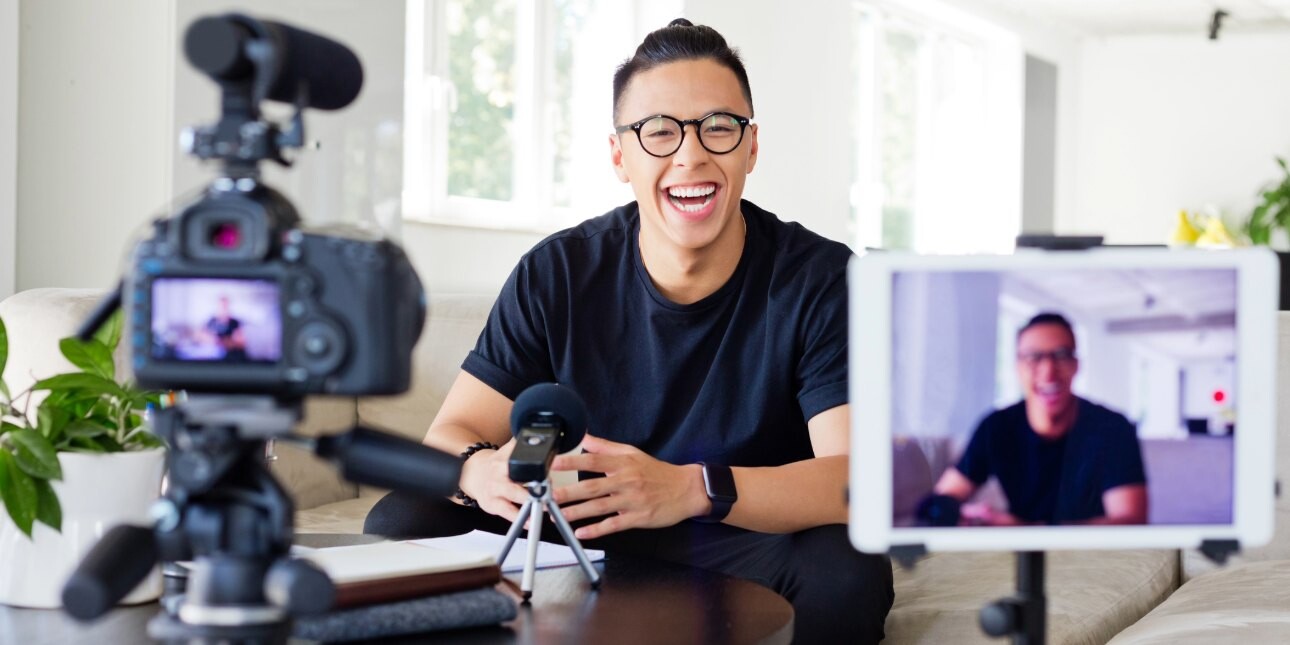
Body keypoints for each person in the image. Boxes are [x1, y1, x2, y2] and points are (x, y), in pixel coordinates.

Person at [364, 18, 894, 642]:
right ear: (620, 156)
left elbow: (857, 479)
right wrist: (482, 473)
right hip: (577, 529)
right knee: (403, 521)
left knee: (848, 571)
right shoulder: (558, 271)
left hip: (733, 537)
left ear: (752, 148)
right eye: (659, 132)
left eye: (719, 128)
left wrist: (689, 488)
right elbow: (450, 435)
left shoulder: (823, 277)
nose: (691, 155)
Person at [931, 312, 1149, 526]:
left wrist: (1026, 531)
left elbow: (1130, 521)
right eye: (1033, 357)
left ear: (1076, 365)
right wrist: (962, 512)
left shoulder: (1113, 429)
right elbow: (941, 500)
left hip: (1092, 556)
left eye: (1061, 355)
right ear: (1017, 368)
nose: (1048, 373)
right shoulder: (996, 427)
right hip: (1021, 557)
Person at [201, 295, 247, 361]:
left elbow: (241, 343)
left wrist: (223, 342)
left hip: (231, 357)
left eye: (225, 306)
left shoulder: (235, 322)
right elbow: (201, 337)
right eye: (221, 306)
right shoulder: (211, 321)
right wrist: (210, 340)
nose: (223, 308)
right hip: (213, 355)